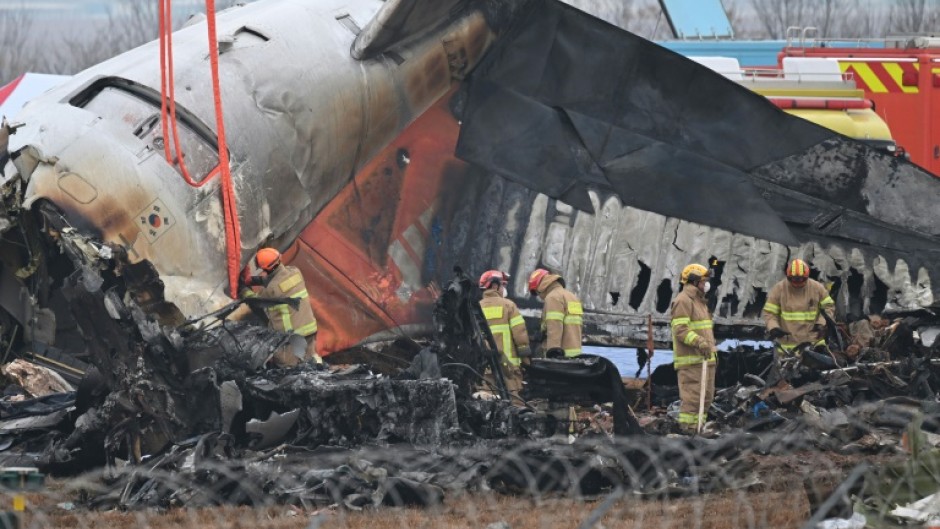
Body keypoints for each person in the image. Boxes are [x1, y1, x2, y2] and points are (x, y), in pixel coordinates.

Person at [240, 247, 322, 367]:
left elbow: (255, 300)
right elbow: (277, 278)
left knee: (288, 368)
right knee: (309, 361)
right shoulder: (295, 271)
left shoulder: (270, 289)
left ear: (264, 267)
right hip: (310, 330)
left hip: (291, 338)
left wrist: (242, 289)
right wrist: (253, 280)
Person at [670, 263, 717, 433]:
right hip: (691, 362)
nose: (706, 284)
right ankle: (688, 431)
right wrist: (699, 342)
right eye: (704, 281)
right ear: (694, 281)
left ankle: (700, 429)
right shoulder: (683, 301)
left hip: (706, 360)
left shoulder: (700, 301)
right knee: (692, 400)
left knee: (706, 399)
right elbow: (680, 330)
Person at [762, 258, 836, 354]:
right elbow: (770, 312)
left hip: (813, 343)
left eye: (800, 279)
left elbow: (829, 306)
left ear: (806, 276)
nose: (797, 282)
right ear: (788, 277)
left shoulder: (817, 288)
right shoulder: (779, 289)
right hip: (787, 346)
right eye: (794, 279)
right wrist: (773, 327)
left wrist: (821, 323)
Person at [478, 270, 531, 395]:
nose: (504, 289)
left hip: (485, 367)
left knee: (488, 403)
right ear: (495, 285)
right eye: (503, 285)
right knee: (515, 403)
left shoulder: (477, 308)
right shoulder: (508, 305)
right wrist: (526, 361)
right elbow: (520, 335)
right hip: (509, 368)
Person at [528, 268, 583, 358]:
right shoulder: (572, 297)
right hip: (575, 354)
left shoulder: (552, 297)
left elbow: (554, 326)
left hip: (560, 356)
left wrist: (553, 352)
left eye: (537, 292)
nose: (539, 296)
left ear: (540, 287)